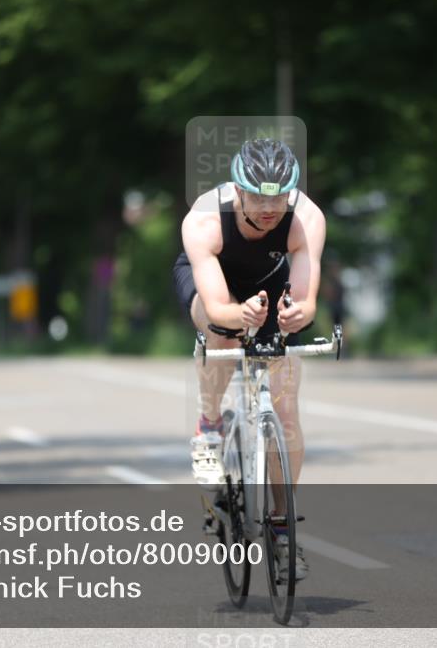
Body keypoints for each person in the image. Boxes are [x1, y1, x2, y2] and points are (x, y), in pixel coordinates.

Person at [172, 138, 325, 582]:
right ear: (237, 190)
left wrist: (296, 313)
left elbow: (306, 298)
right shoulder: (203, 219)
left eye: (278, 197)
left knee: (286, 405)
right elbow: (220, 308)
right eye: (257, 196)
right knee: (220, 334)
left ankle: (281, 525)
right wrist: (238, 316)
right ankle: (209, 423)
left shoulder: (307, 218)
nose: (268, 207)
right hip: (216, 285)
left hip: (272, 279)